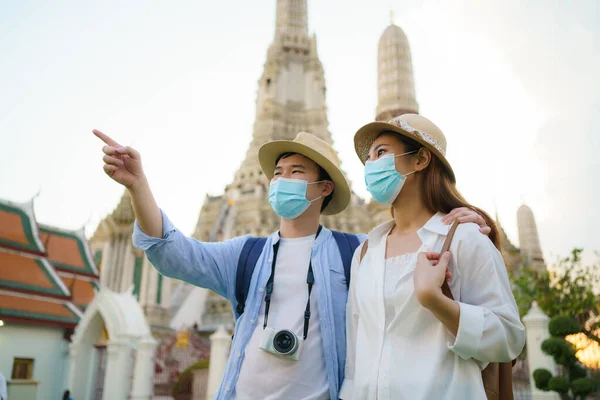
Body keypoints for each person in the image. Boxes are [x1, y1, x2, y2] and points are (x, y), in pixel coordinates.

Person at [93, 128, 489, 400]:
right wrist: (138, 186)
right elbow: (173, 252)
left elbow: (410, 262)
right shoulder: (245, 254)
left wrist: (456, 222)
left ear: (323, 188)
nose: (283, 180)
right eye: (278, 173)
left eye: (297, 172)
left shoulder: (359, 252)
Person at [340, 114, 526, 399]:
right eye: (368, 157)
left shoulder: (464, 238)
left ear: (421, 159)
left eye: (381, 153)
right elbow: (356, 351)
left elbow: (509, 338)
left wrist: (435, 301)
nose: (370, 165)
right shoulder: (365, 252)